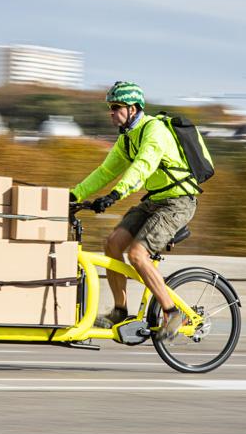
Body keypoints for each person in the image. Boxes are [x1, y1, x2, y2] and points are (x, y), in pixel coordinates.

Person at [70, 81, 199, 340]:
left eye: (116, 107)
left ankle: (172, 312)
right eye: (110, 107)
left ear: (133, 108)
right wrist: (74, 195)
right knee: (112, 244)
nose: (111, 112)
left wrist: (116, 195)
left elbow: (143, 166)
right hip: (155, 200)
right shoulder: (126, 139)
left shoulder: (154, 131)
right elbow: (105, 172)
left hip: (178, 202)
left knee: (138, 255)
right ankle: (120, 310)